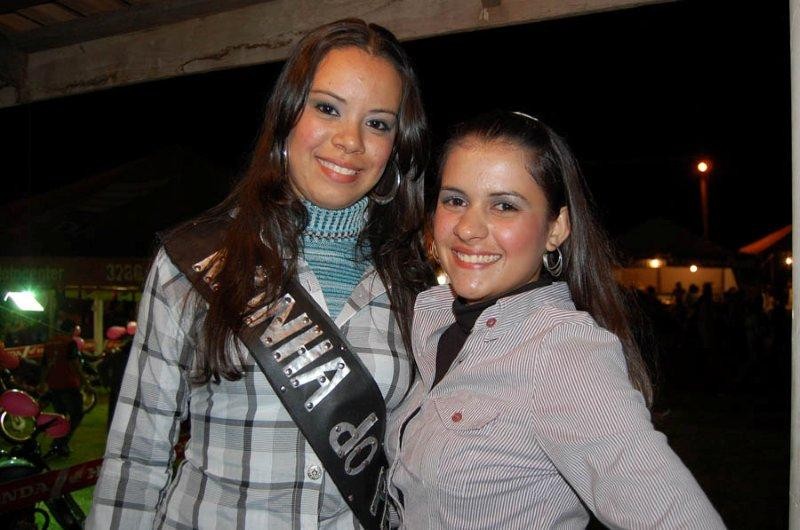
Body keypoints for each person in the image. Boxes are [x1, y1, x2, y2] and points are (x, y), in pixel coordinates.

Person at [87, 19, 431, 529]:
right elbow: (136, 455)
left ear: (398, 145)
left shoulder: (415, 284)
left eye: (377, 123)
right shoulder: (197, 261)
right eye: (327, 108)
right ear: (287, 114)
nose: (350, 141)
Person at [386, 111, 725, 528]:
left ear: (556, 228)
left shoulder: (560, 352)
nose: (469, 228)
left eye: (504, 206)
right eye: (455, 200)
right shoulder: (435, 324)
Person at [39, 320, 88, 458]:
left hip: (54, 384)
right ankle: (60, 443)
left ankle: (58, 445)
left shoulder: (49, 343)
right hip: (68, 383)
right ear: (72, 330)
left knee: (61, 415)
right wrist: (85, 382)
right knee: (77, 414)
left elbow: (44, 365)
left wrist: (42, 382)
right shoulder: (70, 343)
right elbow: (74, 364)